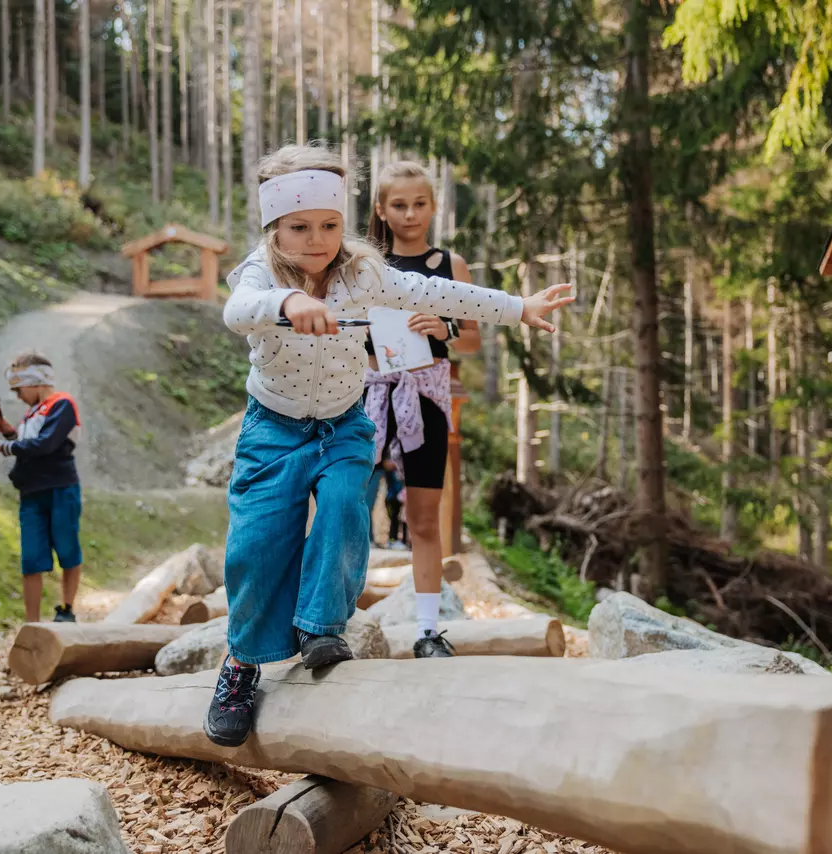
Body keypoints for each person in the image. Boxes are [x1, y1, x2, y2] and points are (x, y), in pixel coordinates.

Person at [208, 143, 572, 748]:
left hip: (346, 425)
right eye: (300, 227)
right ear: (274, 226)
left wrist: (518, 307)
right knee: (256, 548)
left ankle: (322, 626)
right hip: (272, 430)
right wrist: (290, 301)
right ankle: (241, 665)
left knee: (348, 505)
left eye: (329, 225)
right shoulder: (260, 272)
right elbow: (237, 311)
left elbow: (437, 295)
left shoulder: (362, 271)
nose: (317, 239)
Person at [364, 161, 481, 658]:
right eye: (398, 205)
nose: (410, 214)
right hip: (367, 394)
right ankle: (327, 623)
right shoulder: (363, 264)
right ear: (381, 210)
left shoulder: (450, 266)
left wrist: (445, 329)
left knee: (424, 517)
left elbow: (473, 340)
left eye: (419, 203)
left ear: (433, 207)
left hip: (428, 395)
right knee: (345, 507)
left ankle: (428, 631)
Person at [0, 351, 83, 624]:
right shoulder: (30, 415)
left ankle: (67, 609)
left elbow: (45, 444)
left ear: (36, 381)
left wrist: (4, 447)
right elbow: (28, 442)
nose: (17, 395)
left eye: (19, 389)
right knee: (31, 558)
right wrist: (7, 432)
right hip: (31, 493)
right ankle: (32, 622)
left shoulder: (62, 404)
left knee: (67, 548)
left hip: (60, 487)